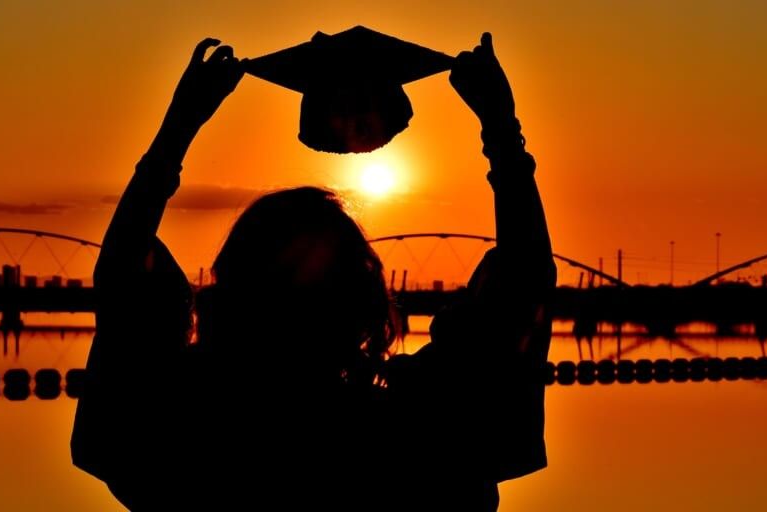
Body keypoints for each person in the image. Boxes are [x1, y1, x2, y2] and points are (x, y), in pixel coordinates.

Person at [71, 32, 555, 511]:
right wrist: (502, 133)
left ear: (229, 290)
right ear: (361, 301)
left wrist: (177, 130)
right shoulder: (415, 438)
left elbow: (126, 282)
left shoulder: (175, 431)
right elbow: (519, 290)